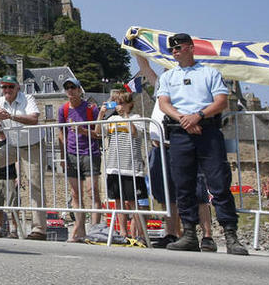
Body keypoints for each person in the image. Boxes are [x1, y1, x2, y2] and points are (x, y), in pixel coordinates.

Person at [157, 33, 248, 255]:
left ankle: (230, 234)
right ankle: (189, 233)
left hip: (207, 130)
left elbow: (221, 101)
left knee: (219, 183)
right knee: (183, 184)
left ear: (191, 47)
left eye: (178, 48)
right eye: (172, 50)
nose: (175, 52)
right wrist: (184, 120)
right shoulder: (168, 76)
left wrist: (197, 116)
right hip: (180, 131)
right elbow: (163, 103)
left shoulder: (209, 73)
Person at [136, 55, 217, 251]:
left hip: (181, 145)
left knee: (197, 193)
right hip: (159, 147)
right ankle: (171, 233)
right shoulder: (161, 85)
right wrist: (136, 49)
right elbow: (145, 67)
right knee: (167, 194)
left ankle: (207, 236)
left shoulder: (187, 87)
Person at [0, 75, 47, 241]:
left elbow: (34, 119)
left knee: (35, 185)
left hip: (32, 145)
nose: (7, 90)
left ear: (17, 88)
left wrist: (11, 117)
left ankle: (39, 229)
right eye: (4, 87)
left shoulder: (27, 98)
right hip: (14, 145)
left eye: (10, 87)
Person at [56, 77, 102, 242]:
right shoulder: (64, 109)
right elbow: (61, 133)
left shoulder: (91, 108)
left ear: (79, 89)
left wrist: (83, 131)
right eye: (67, 88)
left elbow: (98, 134)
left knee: (93, 192)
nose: (70, 90)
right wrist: (62, 156)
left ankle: (95, 231)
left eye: (73, 87)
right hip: (71, 154)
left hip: (90, 153)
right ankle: (80, 229)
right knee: (75, 194)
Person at [98, 90, 147, 241]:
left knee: (133, 202)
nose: (119, 107)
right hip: (114, 165)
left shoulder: (136, 118)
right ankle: (123, 233)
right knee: (118, 202)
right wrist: (101, 114)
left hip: (131, 167)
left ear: (130, 104)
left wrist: (125, 116)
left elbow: (135, 133)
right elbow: (98, 131)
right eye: (117, 104)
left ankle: (140, 235)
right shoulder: (112, 119)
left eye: (122, 104)